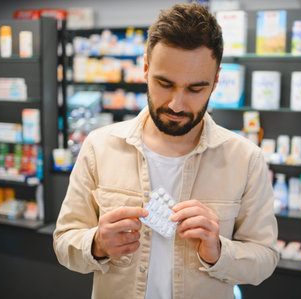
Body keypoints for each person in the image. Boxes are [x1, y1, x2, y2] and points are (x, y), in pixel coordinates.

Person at [53, 3, 279, 299]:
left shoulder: (246, 159)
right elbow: (63, 242)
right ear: (145, 68)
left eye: (196, 88)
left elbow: (265, 258)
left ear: (216, 80)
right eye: (164, 83)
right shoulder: (100, 146)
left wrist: (219, 252)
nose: (177, 104)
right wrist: (96, 243)